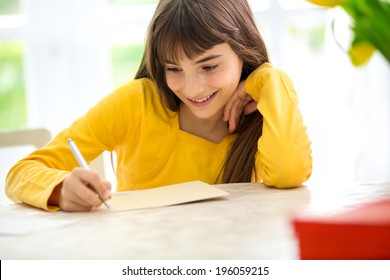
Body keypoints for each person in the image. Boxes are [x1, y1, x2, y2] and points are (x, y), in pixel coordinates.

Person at [6, 0, 312, 212]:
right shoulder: (136, 103)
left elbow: (289, 173)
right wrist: (60, 188)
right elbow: (22, 172)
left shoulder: (263, 107)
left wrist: (269, 79)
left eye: (209, 67)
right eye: (173, 69)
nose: (192, 88)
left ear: (244, 51)